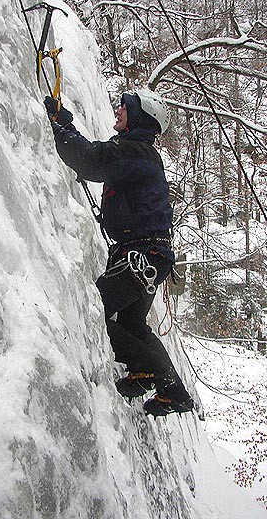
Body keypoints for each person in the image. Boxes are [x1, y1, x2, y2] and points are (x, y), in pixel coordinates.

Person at [44, 89, 194, 417]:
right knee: (132, 322)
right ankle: (171, 391)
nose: (118, 110)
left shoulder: (138, 153)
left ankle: (152, 371)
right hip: (149, 256)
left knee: (93, 308)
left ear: (141, 116)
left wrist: (61, 126)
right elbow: (100, 160)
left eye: (125, 107)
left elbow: (93, 160)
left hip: (142, 254)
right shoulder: (137, 154)